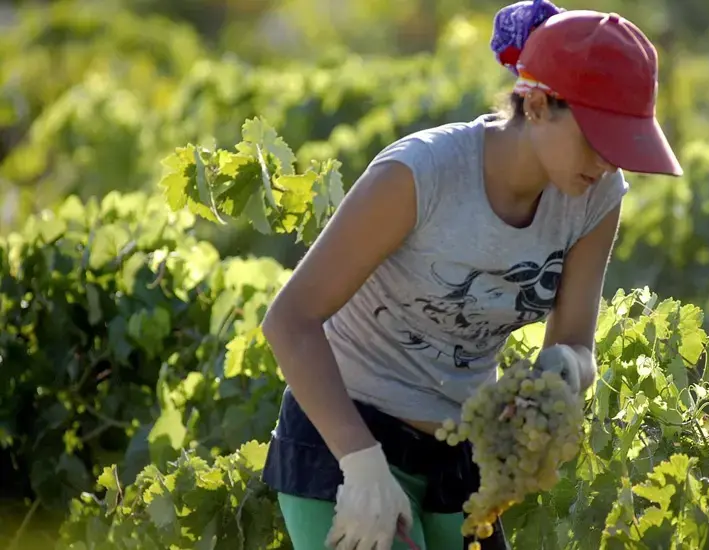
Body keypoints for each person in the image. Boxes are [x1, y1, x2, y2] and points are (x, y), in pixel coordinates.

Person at [258, 0, 683, 548]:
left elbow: (577, 344)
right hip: (343, 439)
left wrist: (562, 368)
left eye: (621, 146)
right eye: (596, 138)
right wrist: (361, 465)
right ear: (534, 104)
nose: (606, 162)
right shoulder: (421, 175)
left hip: (459, 456)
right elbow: (289, 321)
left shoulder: (596, 197)